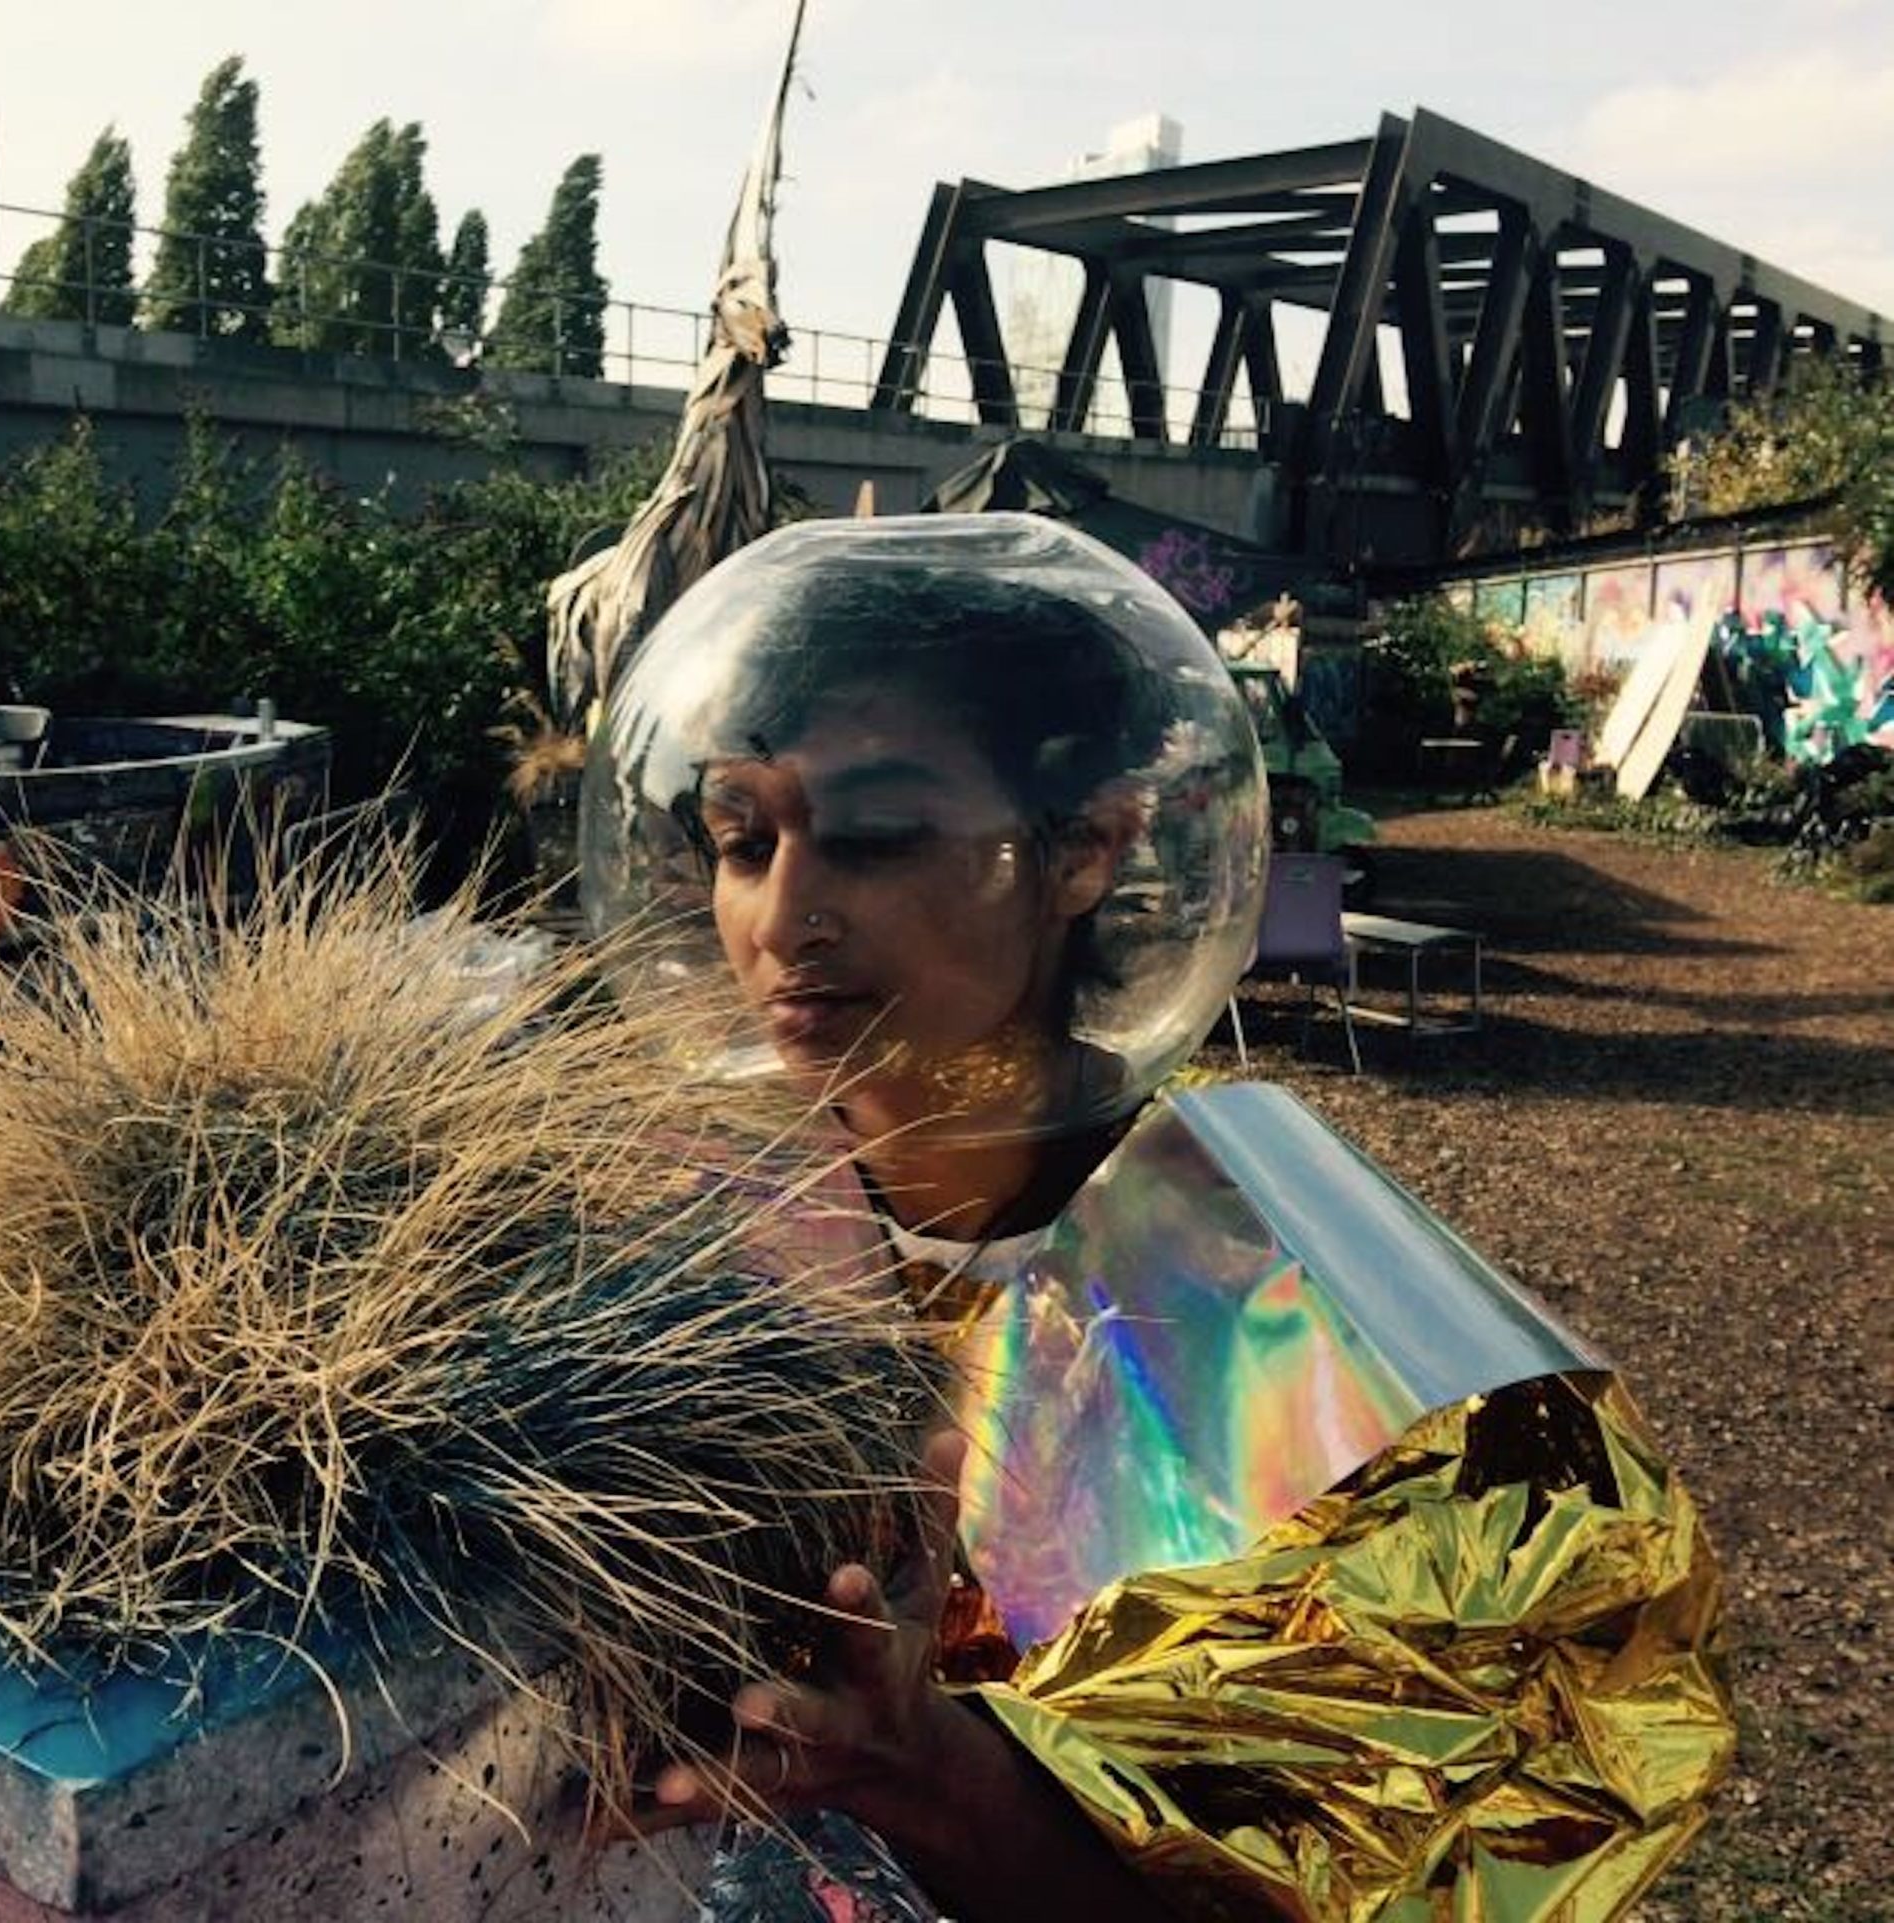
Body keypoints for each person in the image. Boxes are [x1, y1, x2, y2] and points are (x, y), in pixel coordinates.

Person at [580, 514, 1728, 1922]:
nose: (782, 915)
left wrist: (923, 1769)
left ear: (1084, 850)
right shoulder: (651, 1244)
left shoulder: (1306, 1311)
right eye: (742, 840)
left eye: (874, 835)